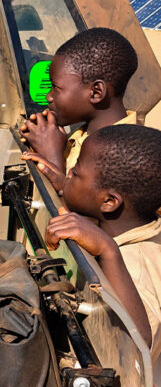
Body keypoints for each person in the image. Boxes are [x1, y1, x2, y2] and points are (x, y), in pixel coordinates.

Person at [43, 124, 161, 383]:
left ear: (109, 202)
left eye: (77, 172)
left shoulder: (133, 264)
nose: (70, 170)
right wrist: (66, 186)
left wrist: (109, 252)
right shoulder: (139, 226)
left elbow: (139, 345)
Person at [21, 27, 138, 192]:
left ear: (96, 92)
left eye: (56, 87)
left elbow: (81, 215)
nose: (49, 96)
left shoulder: (125, 156)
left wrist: (52, 160)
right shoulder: (78, 138)